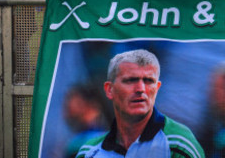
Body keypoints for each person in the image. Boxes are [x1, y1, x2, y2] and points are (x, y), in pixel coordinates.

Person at [76, 49, 204, 158]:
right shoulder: (89, 152)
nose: (141, 89)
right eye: (131, 80)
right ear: (110, 90)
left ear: (157, 88)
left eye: (148, 81)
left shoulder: (178, 144)